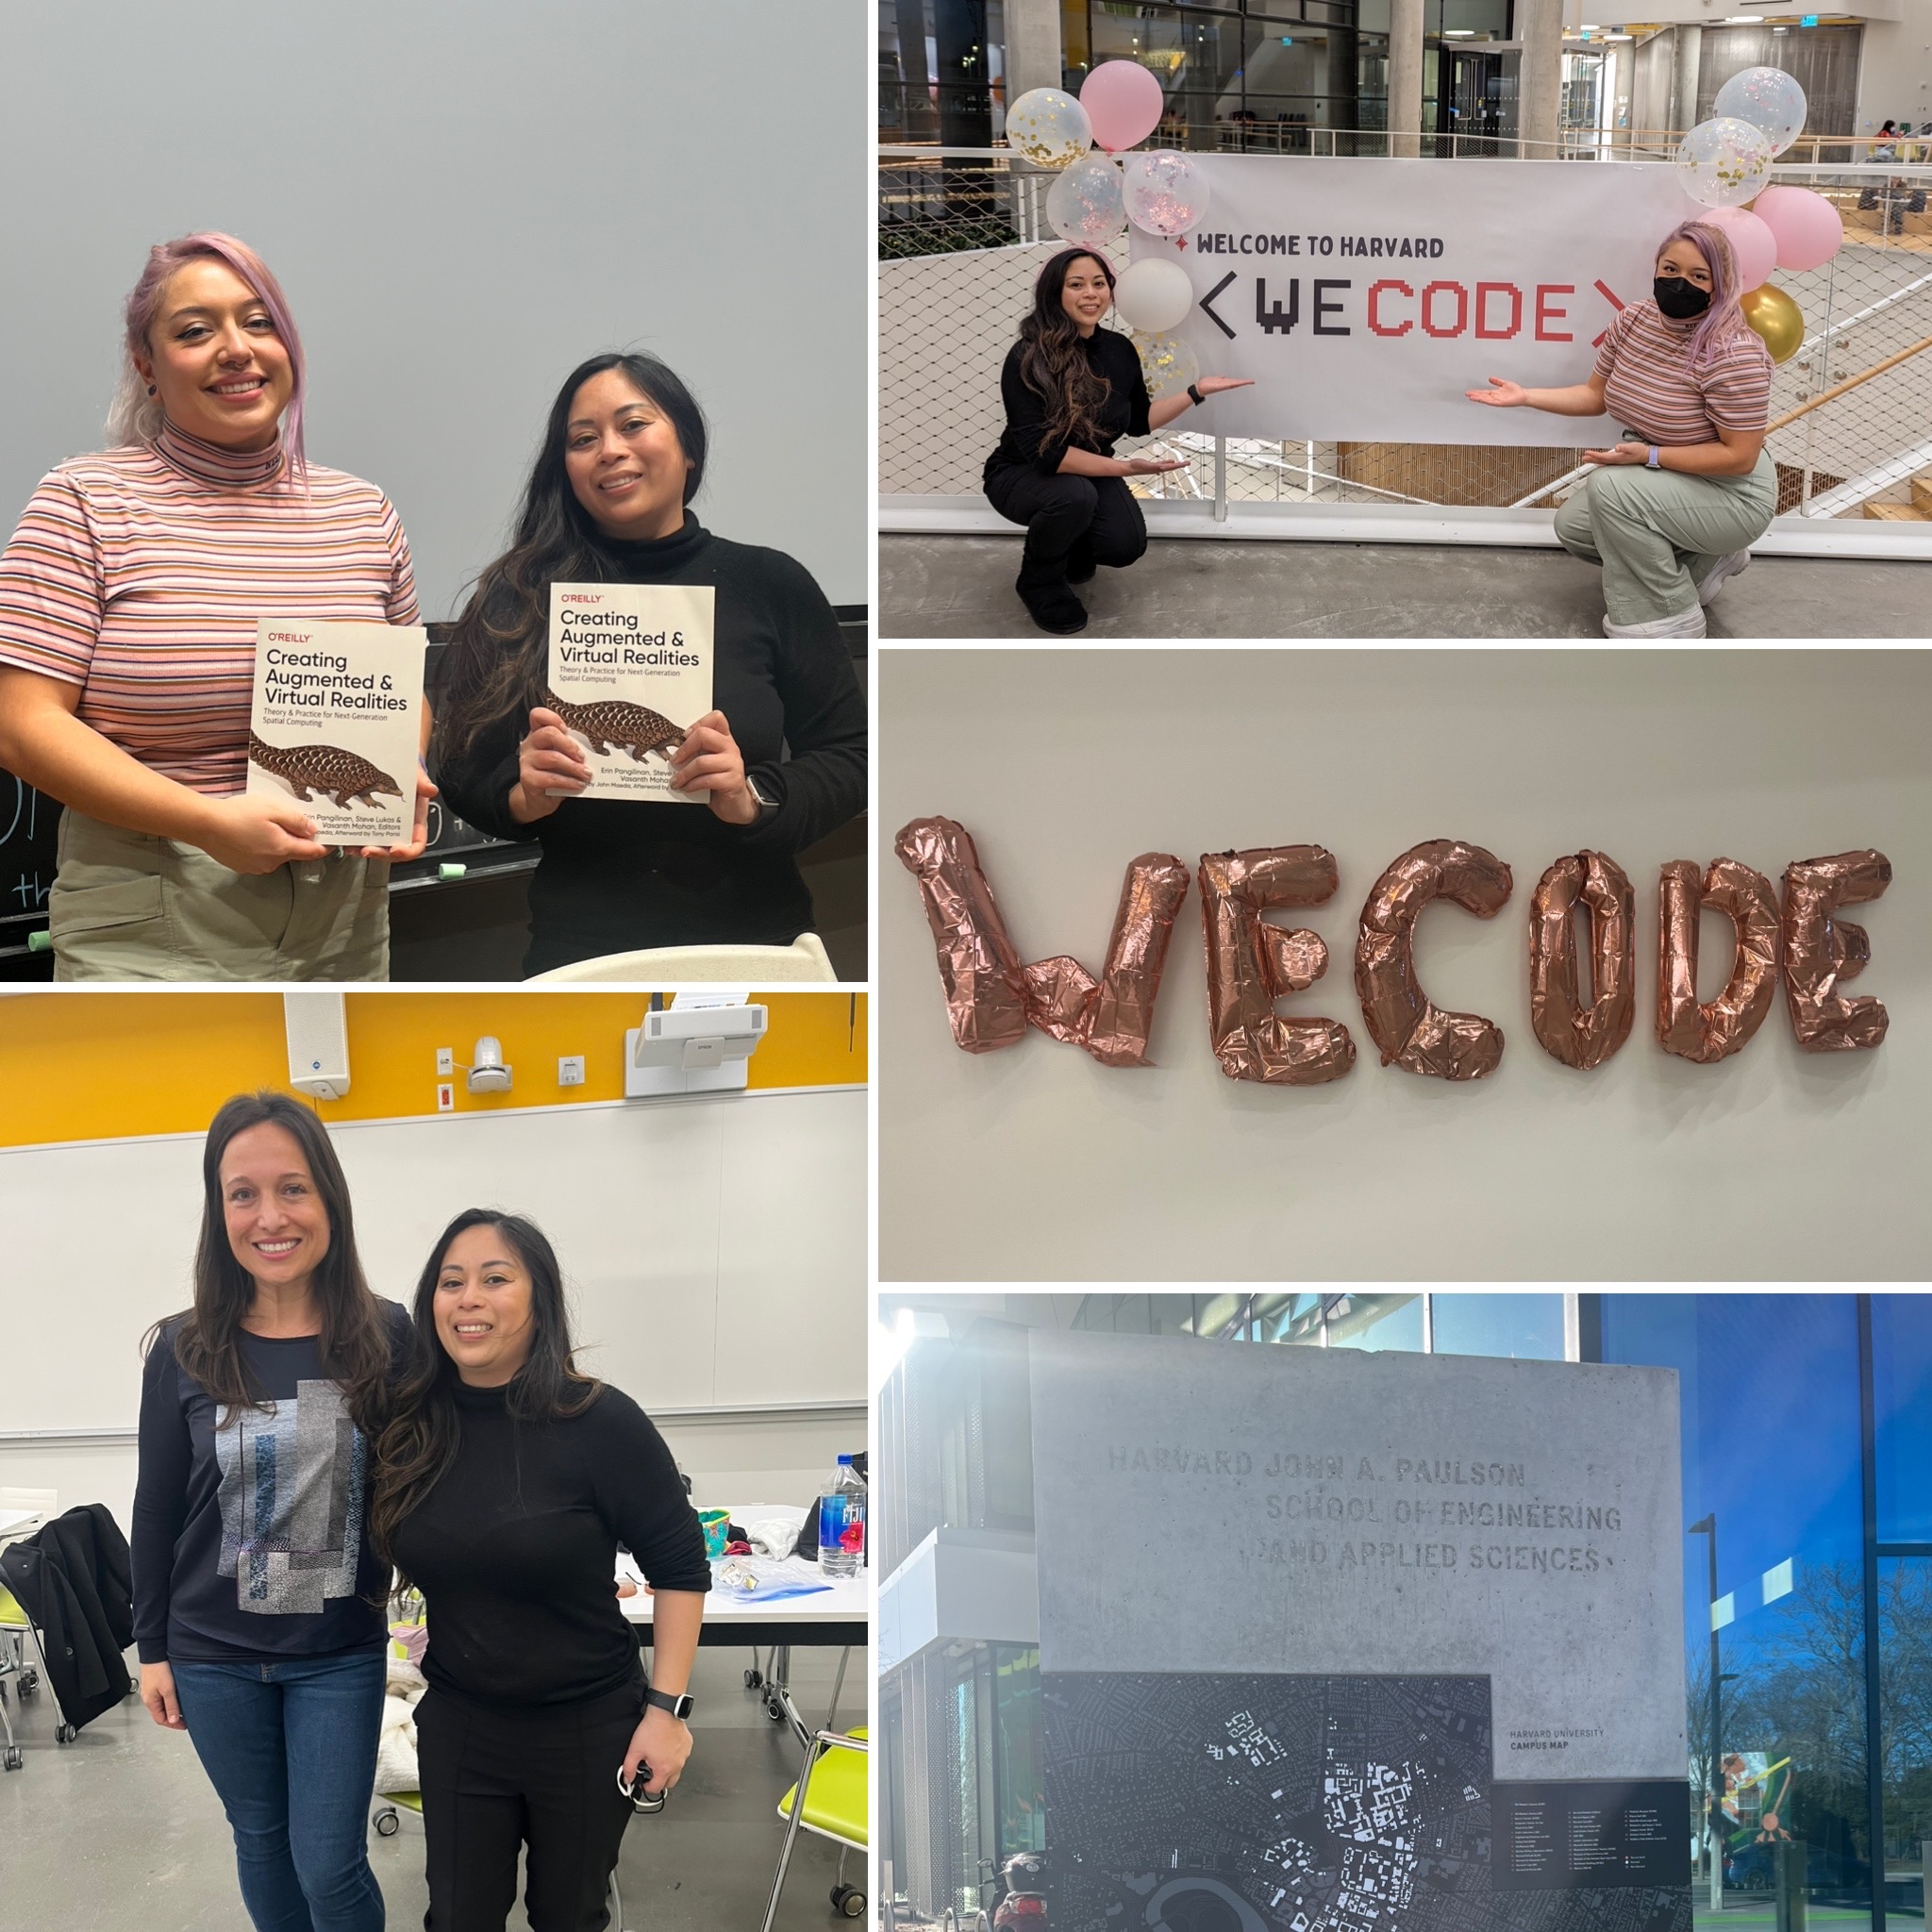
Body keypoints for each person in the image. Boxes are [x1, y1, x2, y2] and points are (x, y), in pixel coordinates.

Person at [0, 232, 433, 979]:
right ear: (148, 366)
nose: (236, 348)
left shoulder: (364, 512)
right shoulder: (85, 502)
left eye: (258, 321)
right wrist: (206, 821)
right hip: (153, 909)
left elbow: (404, 693)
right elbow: (22, 724)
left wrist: (407, 774)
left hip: (345, 917)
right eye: (195, 331)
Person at [430, 353, 865, 976]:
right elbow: (461, 766)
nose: (610, 449)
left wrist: (752, 797)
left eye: (633, 424)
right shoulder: (518, 597)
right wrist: (523, 794)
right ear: (567, 468)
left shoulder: (771, 583)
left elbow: (850, 754)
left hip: (755, 945)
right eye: (583, 439)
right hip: (580, 953)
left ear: (689, 447)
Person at [368, 1209, 710, 1931]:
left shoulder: (599, 1421)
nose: (470, 1299)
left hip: (586, 1726)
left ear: (539, 1298)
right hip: (463, 1719)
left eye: (496, 1279)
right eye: (451, 1281)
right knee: (458, 1918)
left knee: (568, 1916)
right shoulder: (413, 1424)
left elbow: (680, 1565)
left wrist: (666, 1712)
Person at [132, 1091, 408, 1932]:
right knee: (260, 1840)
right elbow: (155, 1509)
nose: (269, 1216)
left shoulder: (389, 1335)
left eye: (292, 1188)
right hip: (213, 1656)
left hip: (337, 1654)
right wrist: (152, 1648)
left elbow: (427, 1485)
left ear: (330, 1198)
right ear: (219, 1213)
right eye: (242, 1193)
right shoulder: (183, 1348)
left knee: (329, 1864)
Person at [1467, 221, 1774, 638]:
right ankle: (1706, 562)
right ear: (1656, 268)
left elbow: (1740, 457)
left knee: (1610, 490)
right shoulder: (1634, 320)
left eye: (1698, 276)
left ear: (1721, 285)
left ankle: (1667, 616)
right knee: (1576, 527)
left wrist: (1649, 455)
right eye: (1670, 270)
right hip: (1668, 477)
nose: (1679, 283)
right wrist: (1526, 396)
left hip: (1730, 491)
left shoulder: (1733, 351)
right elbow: (1595, 396)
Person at [983, 248, 1254, 635]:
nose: (1090, 293)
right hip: (1022, 474)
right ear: (1054, 293)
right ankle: (1039, 581)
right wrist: (1125, 468)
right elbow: (1047, 456)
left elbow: (1139, 420)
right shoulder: (1028, 355)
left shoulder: (1119, 349)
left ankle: (1068, 544)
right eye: (1076, 285)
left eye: (1099, 283)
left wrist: (1196, 391)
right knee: (1073, 497)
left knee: (1125, 545)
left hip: (1086, 475)